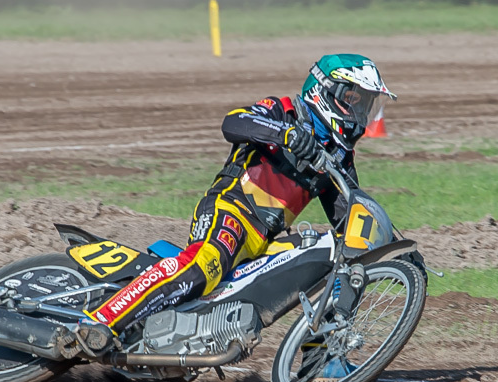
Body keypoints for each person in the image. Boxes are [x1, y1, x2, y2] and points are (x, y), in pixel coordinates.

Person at [77, 53, 397, 350]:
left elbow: (352, 216)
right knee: (204, 265)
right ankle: (101, 321)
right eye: (353, 100)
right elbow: (233, 123)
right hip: (229, 211)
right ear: (325, 92)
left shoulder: (337, 158)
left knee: (336, 257)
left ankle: (322, 358)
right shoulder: (283, 110)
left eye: (365, 104)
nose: (359, 113)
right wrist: (286, 135)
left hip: (262, 243)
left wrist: (396, 250)